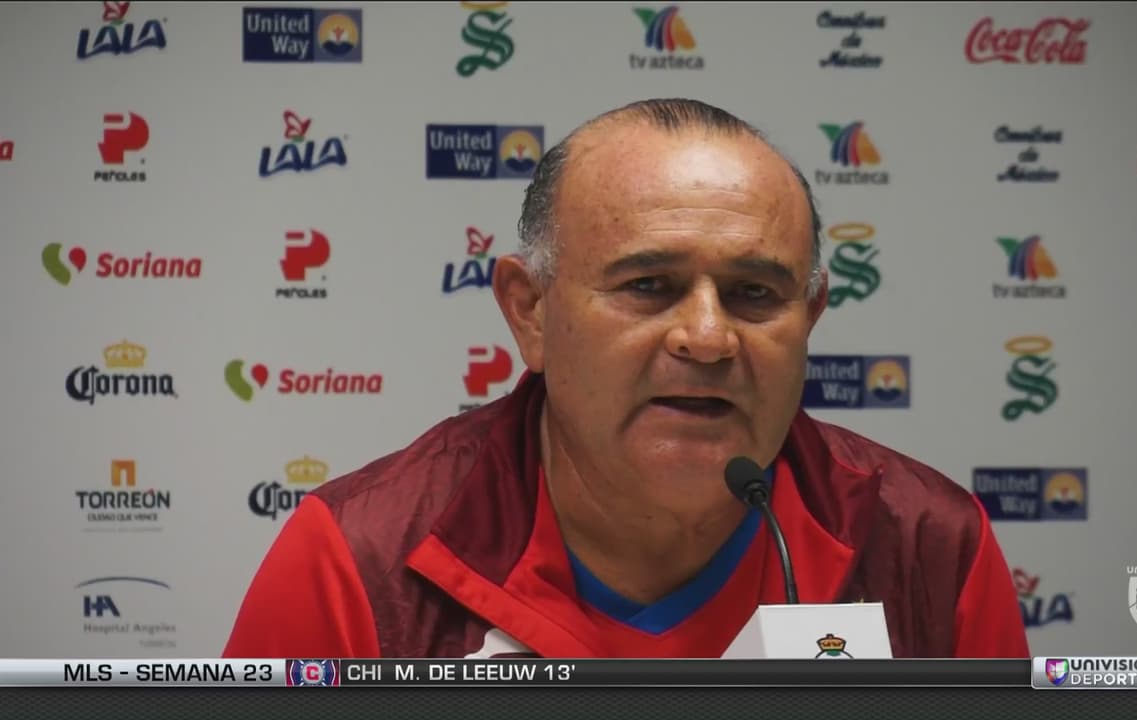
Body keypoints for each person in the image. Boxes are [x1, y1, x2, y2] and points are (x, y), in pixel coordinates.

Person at [222, 98, 1029, 659]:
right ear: (530, 313)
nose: (708, 338)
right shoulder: (358, 560)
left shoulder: (931, 547)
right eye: (648, 285)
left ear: (810, 316)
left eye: (755, 294)